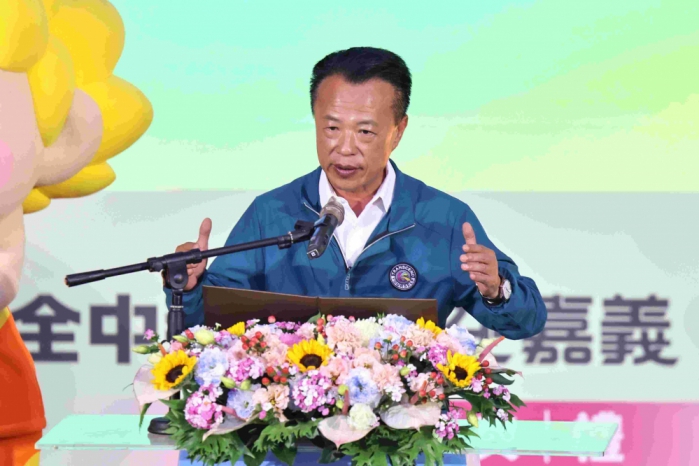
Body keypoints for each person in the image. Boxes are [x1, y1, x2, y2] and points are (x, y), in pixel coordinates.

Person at [164, 47, 546, 338]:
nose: (344, 148)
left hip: (403, 417)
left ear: (398, 131)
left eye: (364, 131)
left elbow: (526, 322)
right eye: (331, 128)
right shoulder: (272, 213)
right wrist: (190, 287)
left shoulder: (442, 218)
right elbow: (208, 327)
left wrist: (497, 290)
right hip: (290, 414)